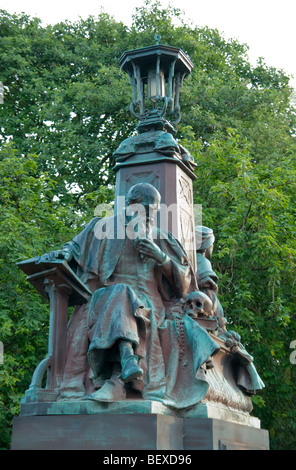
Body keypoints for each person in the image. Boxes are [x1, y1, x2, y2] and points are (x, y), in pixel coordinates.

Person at [41, 184, 219, 408]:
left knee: (122, 297)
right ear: (131, 204)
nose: (150, 216)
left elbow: (185, 283)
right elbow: (72, 250)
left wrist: (161, 258)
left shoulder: (161, 238)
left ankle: (119, 374)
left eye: (154, 211)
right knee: (120, 293)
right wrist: (61, 254)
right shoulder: (102, 228)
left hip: (148, 303)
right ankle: (125, 362)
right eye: (146, 209)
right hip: (102, 299)